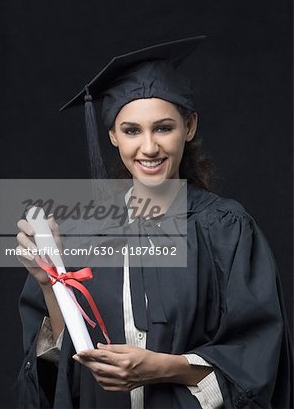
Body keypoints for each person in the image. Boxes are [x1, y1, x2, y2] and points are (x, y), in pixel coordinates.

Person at [16, 36, 292, 409]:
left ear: (189, 126)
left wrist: (165, 368)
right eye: (132, 130)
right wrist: (50, 284)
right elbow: (60, 374)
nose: (148, 147)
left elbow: (258, 361)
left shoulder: (226, 228)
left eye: (163, 128)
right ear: (113, 135)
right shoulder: (80, 231)